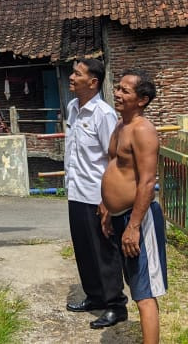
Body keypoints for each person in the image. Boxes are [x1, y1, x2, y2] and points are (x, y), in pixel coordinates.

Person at [100, 69, 167, 344]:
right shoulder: (120, 126)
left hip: (137, 218)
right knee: (134, 284)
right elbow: (115, 168)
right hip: (118, 215)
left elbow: (147, 181)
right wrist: (106, 207)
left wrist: (134, 226)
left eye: (125, 91)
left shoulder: (142, 130)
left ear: (142, 100)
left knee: (144, 293)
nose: (117, 93)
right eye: (118, 88)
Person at [63, 59, 128, 329]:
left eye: (77, 74)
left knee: (104, 251)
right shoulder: (72, 108)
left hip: (97, 195)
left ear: (93, 82)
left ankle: (115, 305)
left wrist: (106, 200)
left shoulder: (104, 114)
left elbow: (113, 159)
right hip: (76, 191)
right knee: (84, 249)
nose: (71, 77)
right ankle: (95, 296)